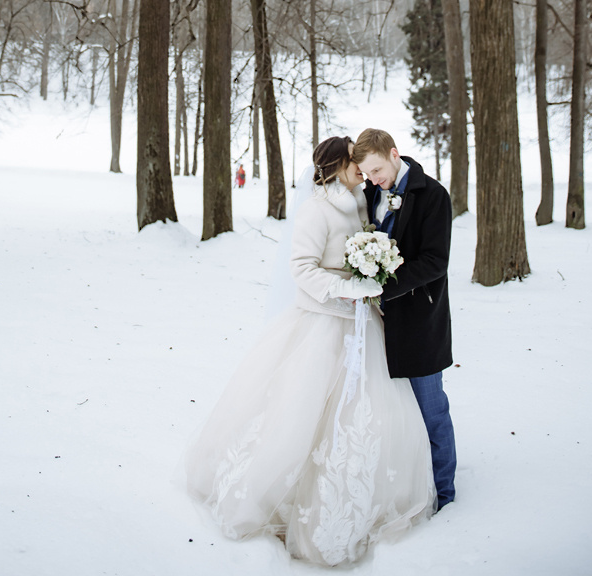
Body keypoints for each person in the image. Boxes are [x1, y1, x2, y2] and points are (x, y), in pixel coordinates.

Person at [185, 135, 434, 567]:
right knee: (303, 411)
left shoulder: (361, 200)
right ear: (337, 166)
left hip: (361, 325)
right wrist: (347, 288)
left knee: (364, 414)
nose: (361, 167)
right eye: (353, 162)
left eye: (364, 163)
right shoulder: (317, 209)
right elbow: (301, 268)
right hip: (322, 322)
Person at [351, 127, 456, 509]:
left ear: (394, 154)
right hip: (379, 323)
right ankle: (408, 486)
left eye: (377, 170)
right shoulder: (370, 193)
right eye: (367, 174)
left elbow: (435, 262)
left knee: (431, 408)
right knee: (393, 411)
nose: (374, 180)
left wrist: (384, 287)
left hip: (419, 317)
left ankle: (444, 492)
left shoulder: (433, 195)